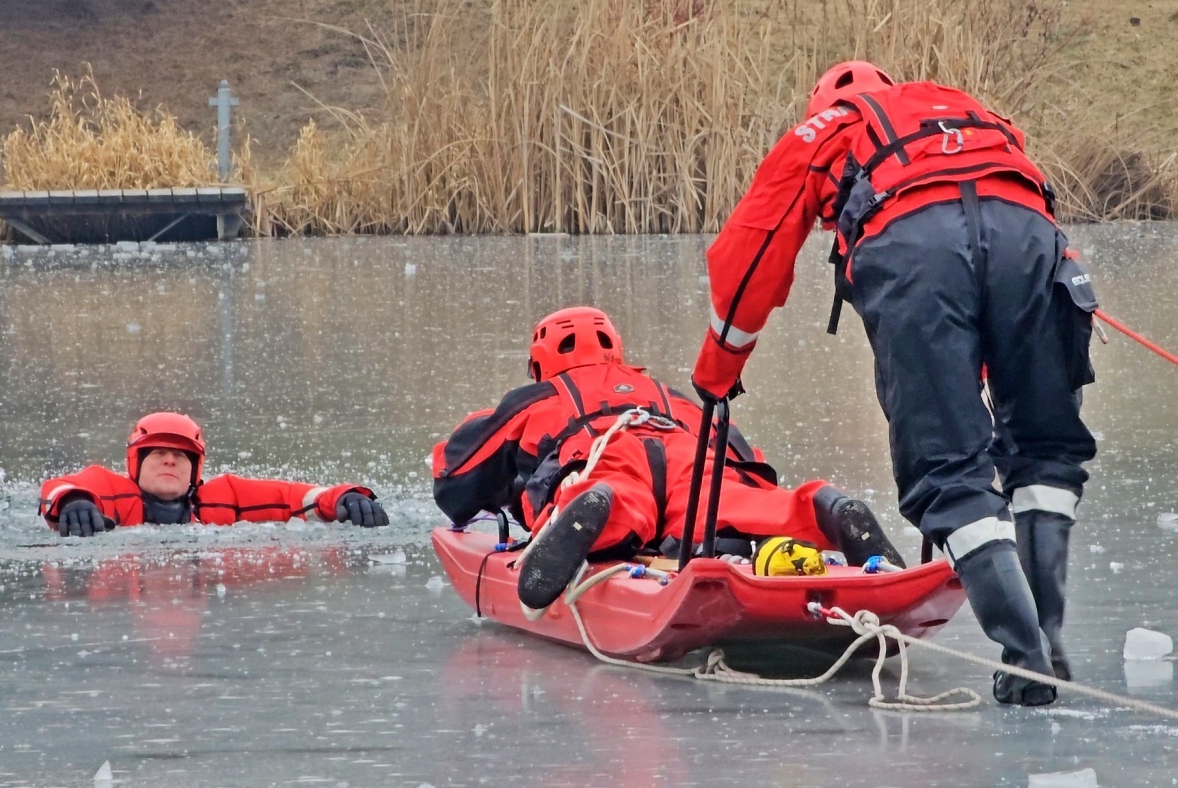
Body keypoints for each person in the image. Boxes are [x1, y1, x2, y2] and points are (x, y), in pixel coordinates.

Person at [690, 62, 1099, 706]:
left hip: (916, 249)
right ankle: (1048, 635)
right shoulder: (963, 107)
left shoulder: (825, 129)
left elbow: (750, 250)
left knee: (950, 474)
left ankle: (1028, 659)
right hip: (1033, 242)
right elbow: (1007, 206)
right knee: (1044, 453)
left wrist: (717, 372)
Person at [432, 306, 904, 613]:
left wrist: (499, 491)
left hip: (604, 455)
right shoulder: (665, 394)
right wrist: (758, 488)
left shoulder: (538, 396)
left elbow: (456, 478)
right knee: (736, 503)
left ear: (539, 363)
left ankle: (589, 509)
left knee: (618, 500)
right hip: (682, 450)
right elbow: (740, 458)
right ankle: (815, 507)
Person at [39, 411, 389, 535]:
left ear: (196, 468)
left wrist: (345, 496)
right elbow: (59, 488)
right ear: (136, 462)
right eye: (159, 453)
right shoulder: (106, 490)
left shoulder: (225, 497)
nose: (170, 461)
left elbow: (296, 498)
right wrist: (72, 502)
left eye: (180, 456)